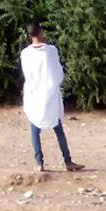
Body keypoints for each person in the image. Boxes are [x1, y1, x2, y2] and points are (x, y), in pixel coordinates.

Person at [20, 22, 81, 173]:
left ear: (29, 36)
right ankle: (68, 161)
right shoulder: (51, 51)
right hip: (49, 94)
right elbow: (57, 74)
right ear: (41, 32)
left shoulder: (25, 53)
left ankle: (39, 163)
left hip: (34, 94)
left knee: (35, 128)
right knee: (58, 128)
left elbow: (27, 75)